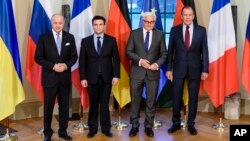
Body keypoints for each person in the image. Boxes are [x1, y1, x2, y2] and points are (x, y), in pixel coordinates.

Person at [166, 6, 209, 135]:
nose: (188, 17)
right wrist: (169, 69)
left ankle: (191, 124)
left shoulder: (201, 31)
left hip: (195, 69)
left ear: (193, 16)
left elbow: (204, 52)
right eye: (185, 15)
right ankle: (176, 123)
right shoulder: (175, 30)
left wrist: (205, 70)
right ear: (181, 16)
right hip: (178, 69)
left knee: (193, 98)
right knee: (176, 96)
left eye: (190, 15)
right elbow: (170, 52)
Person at [35, 14, 77, 141]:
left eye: (60, 23)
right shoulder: (44, 38)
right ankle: (47, 132)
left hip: (64, 78)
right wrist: (53, 66)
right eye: (55, 23)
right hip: (49, 78)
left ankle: (63, 131)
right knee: (48, 107)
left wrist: (65, 65)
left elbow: (74, 57)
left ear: (63, 24)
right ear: (51, 23)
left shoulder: (70, 37)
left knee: (64, 106)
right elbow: (38, 57)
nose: (58, 25)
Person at [126, 12, 167, 137]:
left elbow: (164, 53)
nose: (149, 24)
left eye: (151, 22)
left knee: (151, 102)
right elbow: (128, 51)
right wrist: (140, 61)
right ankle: (134, 126)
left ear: (154, 22)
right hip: (137, 73)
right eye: (146, 21)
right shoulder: (134, 33)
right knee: (135, 101)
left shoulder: (159, 34)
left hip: (153, 73)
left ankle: (148, 126)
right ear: (143, 21)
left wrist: (156, 65)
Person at [79, 15, 120, 138]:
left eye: (100, 24)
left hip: (107, 78)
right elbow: (82, 61)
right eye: (95, 24)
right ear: (93, 26)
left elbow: (116, 60)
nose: (98, 27)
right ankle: (92, 128)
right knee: (93, 104)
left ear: (104, 25)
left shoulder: (111, 40)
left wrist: (116, 75)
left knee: (104, 103)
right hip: (91, 78)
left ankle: (106, 128)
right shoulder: (85, 41)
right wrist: (83, 77)